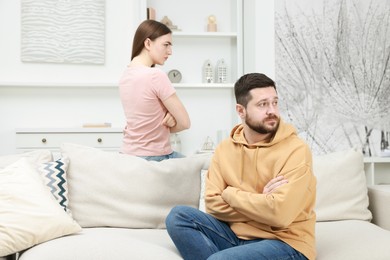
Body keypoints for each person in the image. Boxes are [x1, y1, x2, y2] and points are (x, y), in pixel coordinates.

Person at [165, 73, 316, 260]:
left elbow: (280, 215)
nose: (272, 111)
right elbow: (213, 205)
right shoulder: (225, 149)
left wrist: (230, 194)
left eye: (274, 102)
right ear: (241, 110)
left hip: (285, 242)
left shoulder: (296, 150)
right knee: (178, 216)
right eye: (263, 104)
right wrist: (263, 201)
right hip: (235, 237)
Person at [119, 20, 190, 161]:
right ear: (148, 44)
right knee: (204, 170)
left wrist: (167, 116)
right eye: (166, 44)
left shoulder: (125, 76)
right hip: (155, 156)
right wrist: (173, 120)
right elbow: (185, 123)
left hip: (128, 155)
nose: (170, 51)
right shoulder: (155, 75)